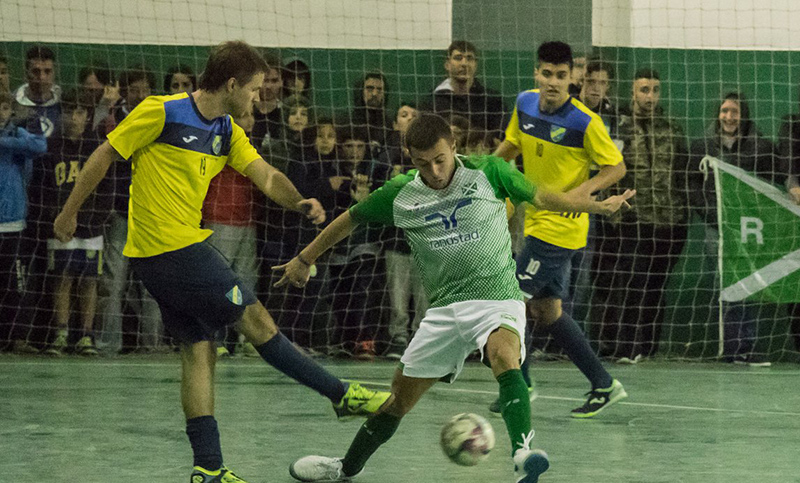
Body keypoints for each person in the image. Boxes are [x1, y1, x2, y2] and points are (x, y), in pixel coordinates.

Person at [53, 40, 390, 483]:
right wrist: (69, 211)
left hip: (166, 255)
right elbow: (104, 154)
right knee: (256, 318)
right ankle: (339, 393)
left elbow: (264, 173)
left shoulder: (227, 131)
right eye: (252, 89)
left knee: (199, 351)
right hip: (170, 249)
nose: (256, 97)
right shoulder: (162, 111)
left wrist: (299, 201)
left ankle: (208, 468)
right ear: (231, 84)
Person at [277, 112, 634, 482]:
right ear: (409, 157)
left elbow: (544, 197)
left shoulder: (490, 171)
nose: (433, 171)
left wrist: (597, 206)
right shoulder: (401, 193)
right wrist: (305, 258)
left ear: (454, 147)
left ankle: (523, 455)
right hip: (444, 311)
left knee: (504, 356)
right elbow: (350, 219)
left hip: (496, 297)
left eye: (439, 159)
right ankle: (344, 467)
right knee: (397, 401)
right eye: (422, 163)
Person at [492, 41, 628, 417]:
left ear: (574, 78)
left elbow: (616, 167)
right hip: (534, 220)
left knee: (511, 300)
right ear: (537, 73)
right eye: (547, 74)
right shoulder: (524, 103)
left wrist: (585, 189)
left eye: (562, 76)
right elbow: (512, 144)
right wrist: (482, 170)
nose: (553, 82)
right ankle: (603, 384)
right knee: (548, 311)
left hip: (561, 228)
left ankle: (520, 384)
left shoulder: (585, 121)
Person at [599, 68, 689, 362]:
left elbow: (682, 172)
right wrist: (614, 215)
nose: (650, 96)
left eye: (655, 90)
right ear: (633, 93)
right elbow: (607, 174)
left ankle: (648, 347)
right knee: (630, 284)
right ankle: (625, 346)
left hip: (669, 220)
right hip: (633, 219)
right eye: (644, 90)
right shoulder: (618, 127)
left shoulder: (671, 128)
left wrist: (682, 214)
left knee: (656, 285)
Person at [690, 92, 778, 366]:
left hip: (748, 228)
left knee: (747, 285)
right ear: (718, 113)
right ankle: (729, 349)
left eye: (735, 111)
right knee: (723, 285)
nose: (729, 117)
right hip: (716, 229)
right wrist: (712, 215)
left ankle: (745, 348)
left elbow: (770, 187)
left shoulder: (762, 147)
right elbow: (692, 186)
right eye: (725, 111)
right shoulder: (702, 146)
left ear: (744, 115)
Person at [34, 89, 106, 356]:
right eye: (68, 111)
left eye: (80, 112)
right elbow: (43, 190)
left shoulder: (96, 148)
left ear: (88, 116)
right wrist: (56, 218)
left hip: (90, 226)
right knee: (62, 278)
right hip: (60, 226)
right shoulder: (51, 147)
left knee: (89, 280)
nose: (73, 117)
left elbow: (105, 187)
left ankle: (86, 335)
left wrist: (95, 218)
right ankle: (61, 332)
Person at [0, 90, 47, 353]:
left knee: (15, 286)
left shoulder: (18, 135)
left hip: (13, 223)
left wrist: (8, 138)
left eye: (5, 108)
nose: (0, 113)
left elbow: (40, 146)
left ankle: (18, 337)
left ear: (11, 110)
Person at [429, 40, 506, 138]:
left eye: (469, 58)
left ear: (475, 65)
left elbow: (499, 139)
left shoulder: (493, 100)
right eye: (458, 58)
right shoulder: (433, 101)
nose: (464, 63)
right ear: (447, 65)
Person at [13, 45, 61, 138]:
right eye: (36, 71)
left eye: (47, 71)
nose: (42, 77)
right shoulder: (12, 104)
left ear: (54, 73)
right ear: (26, 73)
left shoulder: (64, 103)